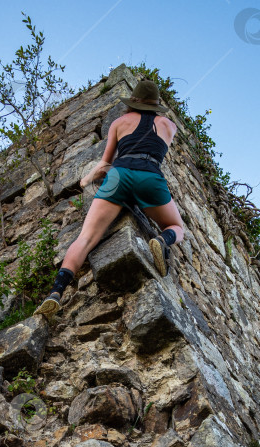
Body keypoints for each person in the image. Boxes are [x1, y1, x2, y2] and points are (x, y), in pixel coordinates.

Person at [34, 78, 185, 317]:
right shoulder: (169, 126)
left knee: (85, 238)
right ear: (156, 105)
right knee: (177, 226)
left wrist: (85, 181)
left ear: (132, 101)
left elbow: (105, 163)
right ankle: (163, 240)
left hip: (119, 175)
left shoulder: (119, 122)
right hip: (150, 176)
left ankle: (56, 293)